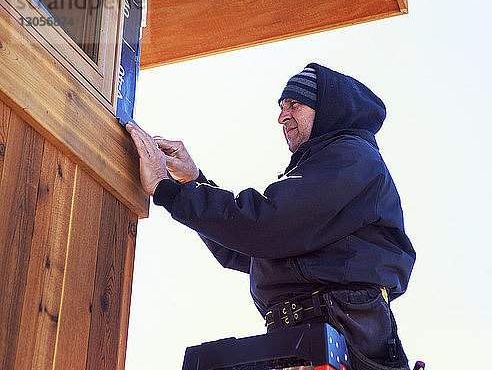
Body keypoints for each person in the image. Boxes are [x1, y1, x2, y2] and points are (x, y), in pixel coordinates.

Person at [126, 63, 416, 369]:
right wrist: (192, 182)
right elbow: (243, 249)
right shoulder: (324, 168)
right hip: (304, 335)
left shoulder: (351, 158)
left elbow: (262, 227)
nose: (282, 116)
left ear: (328, 109)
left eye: (295, 104)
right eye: (281, 106)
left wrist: (165, 188)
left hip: (342, 332)